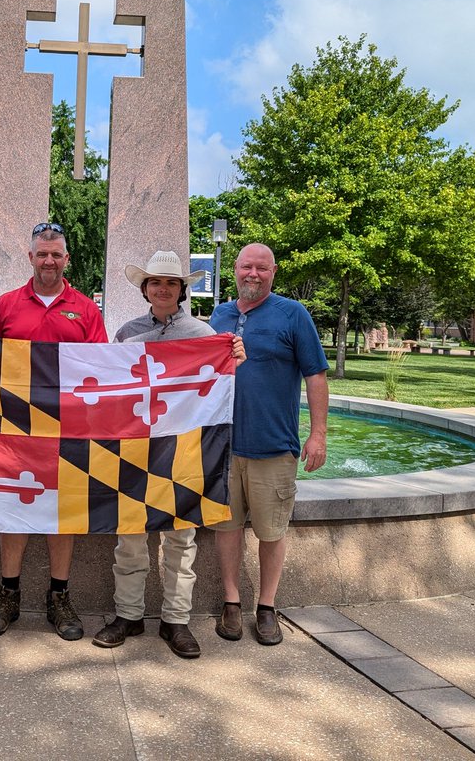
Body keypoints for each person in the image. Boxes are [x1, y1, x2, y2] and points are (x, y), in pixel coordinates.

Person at [91, 250, 244, 660]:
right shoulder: (126, 334)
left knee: (181, 537)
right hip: (136, 448)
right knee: (130, 535)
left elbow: (220, 388)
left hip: (185, 449)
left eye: (171, 283)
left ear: (182, 289)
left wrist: (233, 360)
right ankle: (128, 614)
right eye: (155, 282)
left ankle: (176, 620)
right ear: (145, 289)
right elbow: (111, 390)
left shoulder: (202, 334)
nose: (163, 289)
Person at [0, 221, 108, 640]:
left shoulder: (87, 309)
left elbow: (103, 371)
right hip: (14, 430)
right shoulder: (5, 305)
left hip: (68, 430)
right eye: (42, 253)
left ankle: (59, 596)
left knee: (61, 513)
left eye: (56, 254)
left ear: (66, 259)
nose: (49, 260)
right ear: (30, 257)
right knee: (12, 509)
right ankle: (8, 595)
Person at [208, 243, 329, 645]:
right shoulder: (220, 315)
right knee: (226, 527)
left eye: (262, 268)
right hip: (224, 446)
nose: (253, 274)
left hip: (274, 446)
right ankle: (230, 601)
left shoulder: (293, 314)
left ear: (273, 272)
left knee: (271, 531)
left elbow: (315, 376)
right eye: (246, 267)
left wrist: (318, 434)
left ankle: (266, 606)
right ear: (236, 270)